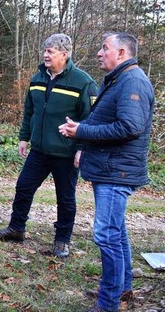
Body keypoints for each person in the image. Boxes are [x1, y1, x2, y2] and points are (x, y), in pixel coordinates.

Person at [59, 33, 154, 312]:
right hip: (111, 168)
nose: (100, 53)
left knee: (106, 235)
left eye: (105, 48)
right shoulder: (118, 79)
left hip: (117, 171)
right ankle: (121, 291)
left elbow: (129, 126)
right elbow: (107, 119)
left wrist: (83, 131)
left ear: (122, 53)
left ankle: (108, 303)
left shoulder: (132, 81)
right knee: (116, 232)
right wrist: (81, 136)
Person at [0, 34, 97, 259]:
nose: (46, 55)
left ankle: (62, 241)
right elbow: (30, 111)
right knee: (23, 187)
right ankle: (16, 228)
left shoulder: (83, 82)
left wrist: (82, 147)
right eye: (45, 51)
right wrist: (23, 137)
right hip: (39, 150)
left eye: (51, 52)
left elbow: (90, 119)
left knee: (65, 198)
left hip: (66, 153)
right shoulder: (37, 78)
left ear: (65, 55)